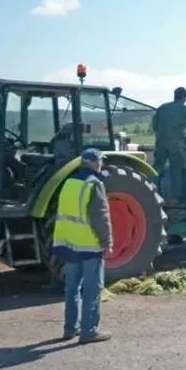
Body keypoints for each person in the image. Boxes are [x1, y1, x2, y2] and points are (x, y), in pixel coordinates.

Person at [52, 147, 113, 344]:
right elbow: (101, 218)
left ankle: (70, 329)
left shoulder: (68, 183)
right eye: (100, 162)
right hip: (89, 246)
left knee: (72, 288)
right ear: (96, 164)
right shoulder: (93, 184)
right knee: (92, 289)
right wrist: (107, 243)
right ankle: (89, 331)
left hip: (70, 245)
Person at [152, 86, 186, 204]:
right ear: (184, 98)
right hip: (175, 143)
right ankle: (174, 198)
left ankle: (151, 193)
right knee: (176, 169)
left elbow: (154, 125)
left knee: (157, 167)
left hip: (160, 141)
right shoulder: (184, 109)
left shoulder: (162, 108)